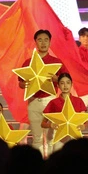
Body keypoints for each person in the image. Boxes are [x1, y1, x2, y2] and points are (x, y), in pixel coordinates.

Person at [17, 30, 63, 158]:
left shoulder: (56, 62)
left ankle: (52, 165)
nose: (43, 43)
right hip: (33, 102)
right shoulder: (28, 63)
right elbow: (20, 83)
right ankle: (38, 168)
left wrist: (56, 79)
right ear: (35, 42)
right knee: (37, 138)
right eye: (40, 40)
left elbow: (66, 80)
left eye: (46, 40)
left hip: (50, 101)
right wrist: (24, 84)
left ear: (50, 42)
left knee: (51, 137)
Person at [41, 73, 88, 153]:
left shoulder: (78, 101)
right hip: (59, 137)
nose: (65, 86)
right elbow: (43, 123)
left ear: (71, 84)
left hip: (75, 136)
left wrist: (83, 126)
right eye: (62, 83)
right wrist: (51, 125)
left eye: (68, 83)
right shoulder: (53, 102)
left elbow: (85, 121)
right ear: (58, 86)